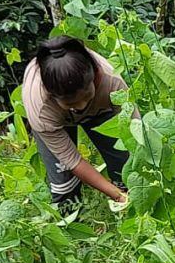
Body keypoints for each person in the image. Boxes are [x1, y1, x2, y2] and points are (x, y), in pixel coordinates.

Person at [22, 36, 133, 211]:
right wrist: (116, 195)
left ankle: (130, 211)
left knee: (126, 167)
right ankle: (72, 226)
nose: (81, 107)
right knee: (63, 186)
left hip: (102, 107)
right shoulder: (40, 108)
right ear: (51, 95)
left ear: (96, 76)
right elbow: (72, 160)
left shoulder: (112, 84)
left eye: (85, 97)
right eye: (70, 103)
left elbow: (134, 135)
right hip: (57, 119)